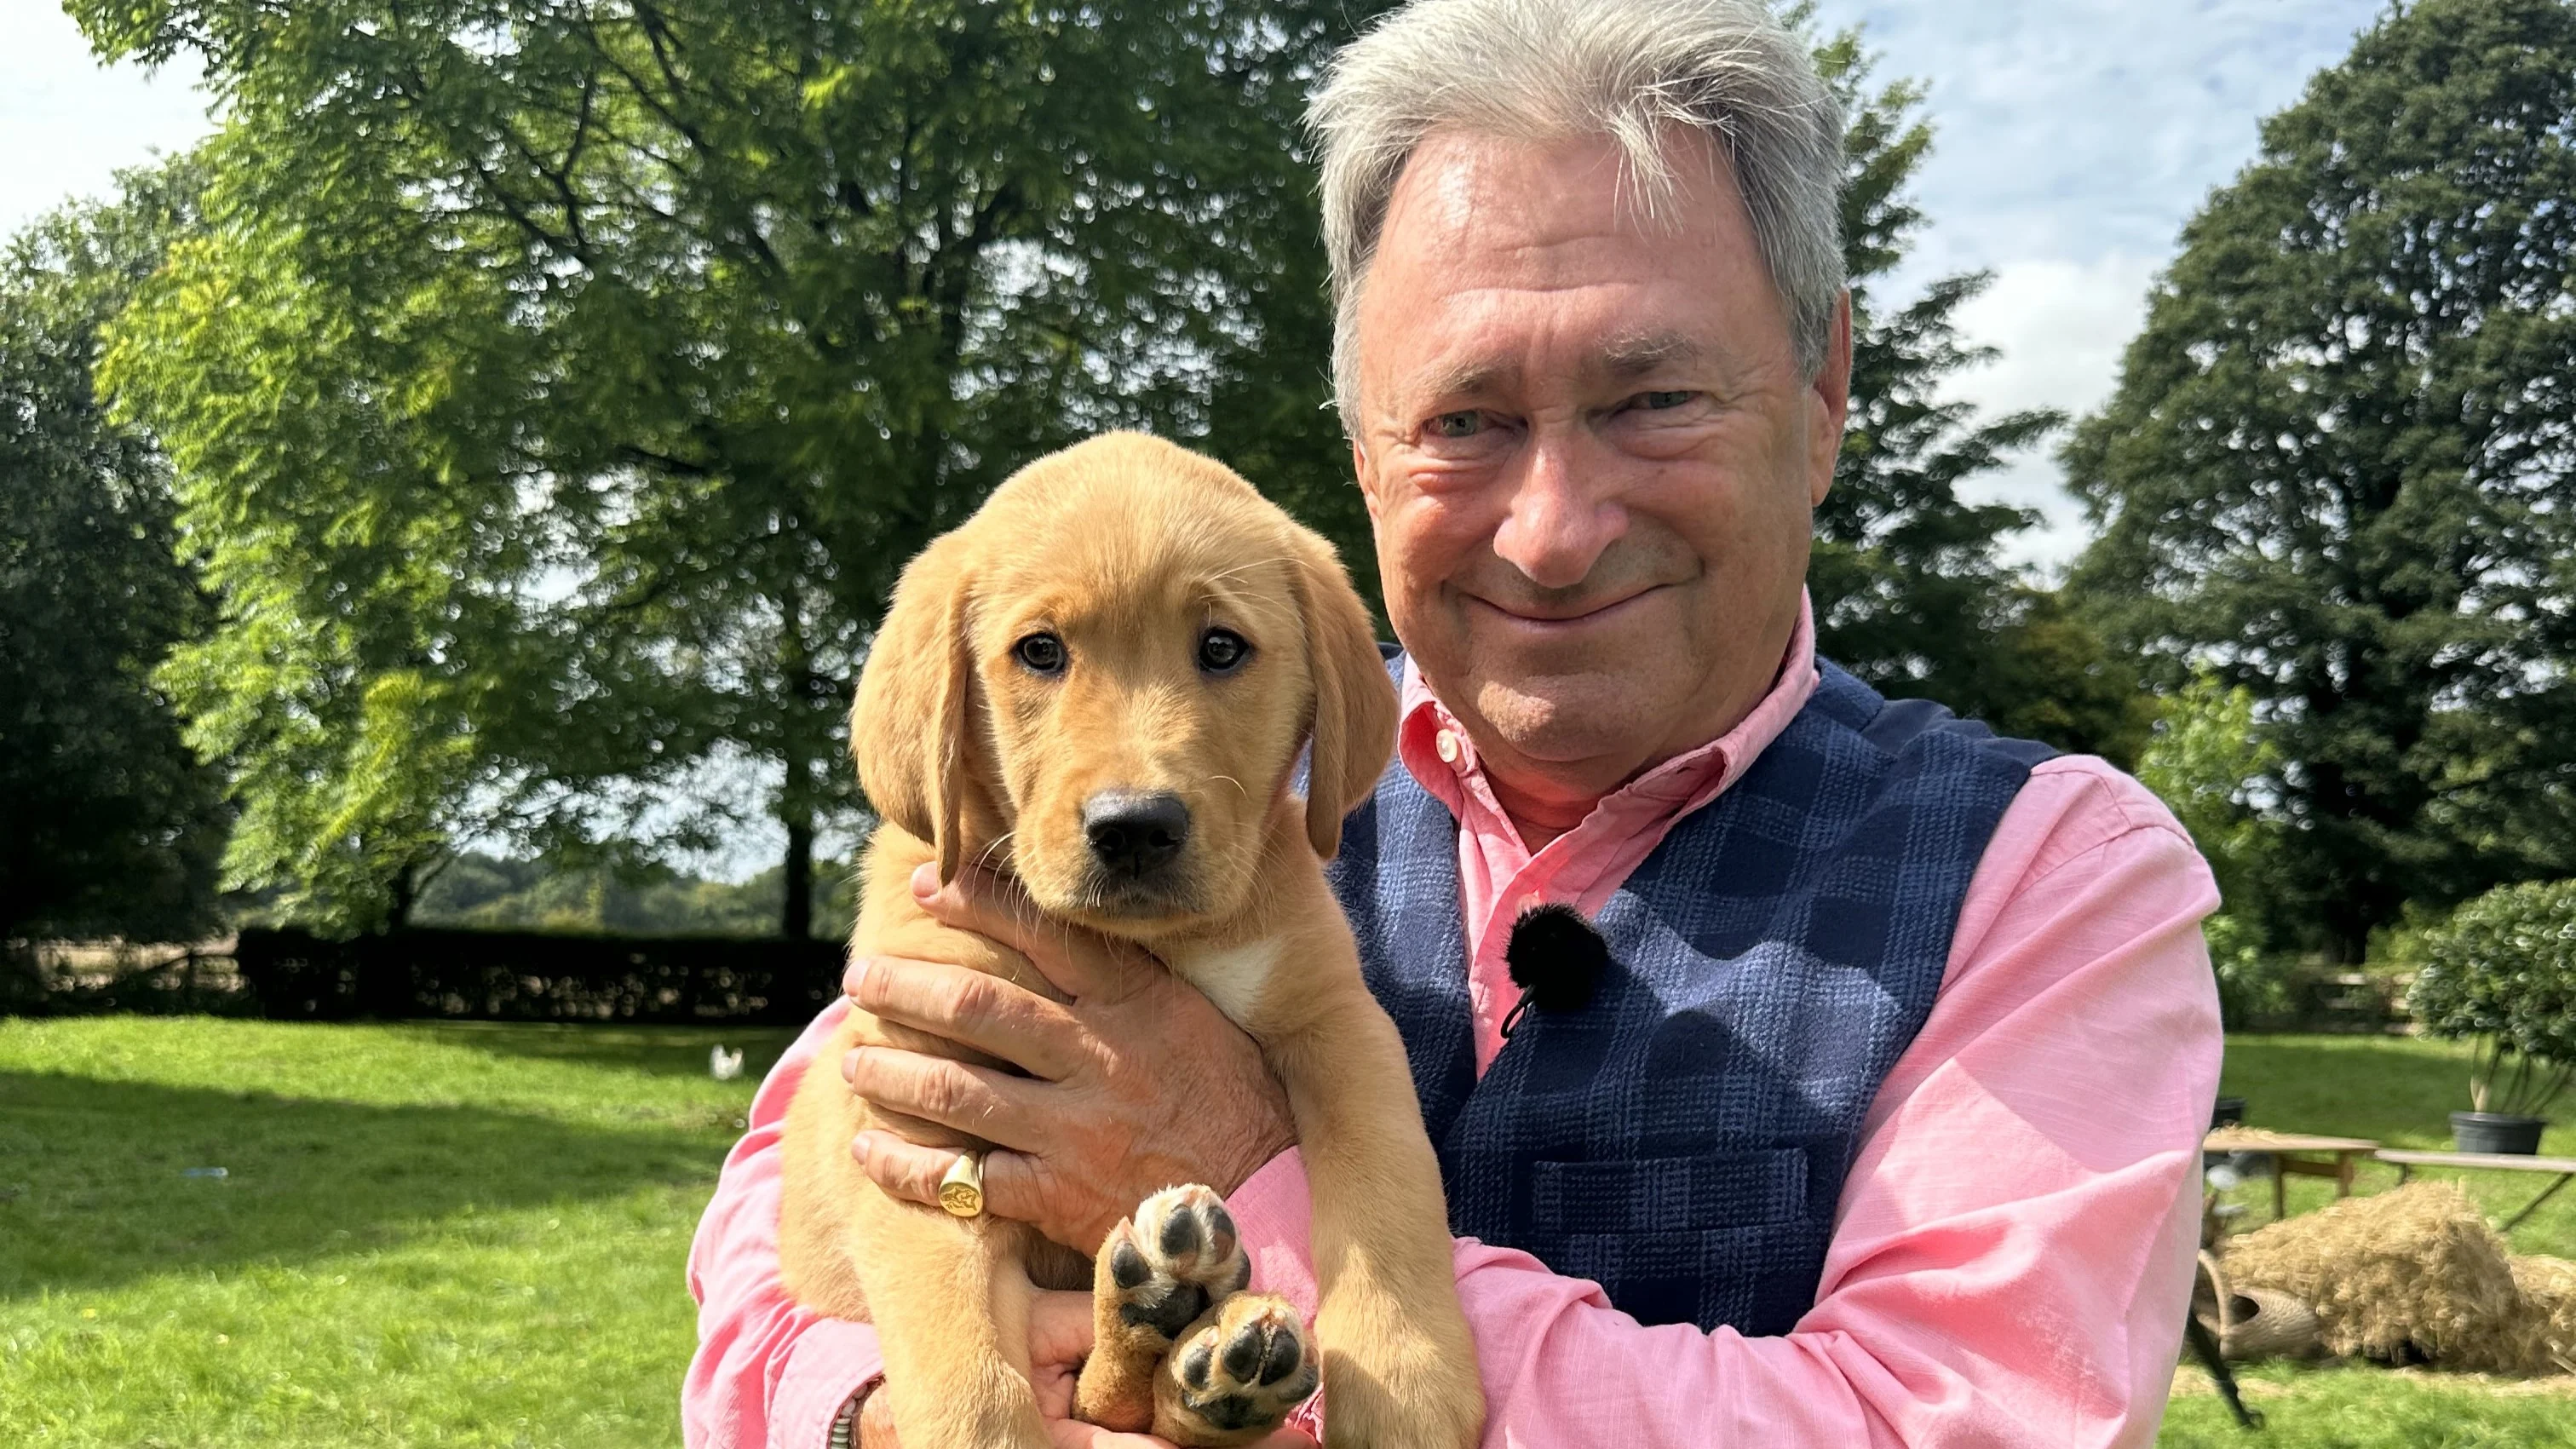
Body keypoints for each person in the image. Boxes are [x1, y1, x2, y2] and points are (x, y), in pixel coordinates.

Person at [683, 0, 2224, 1444]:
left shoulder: (2048, 876)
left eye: (1654, 399)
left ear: (1823, 391)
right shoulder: (1200, 781)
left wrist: (1246, 1189)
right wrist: (874, 1411)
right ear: (1362, 449)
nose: (1552, 530)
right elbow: (780, 1240)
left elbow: (1959, 1420)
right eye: (1465, 421)